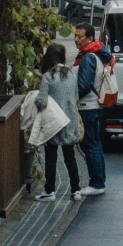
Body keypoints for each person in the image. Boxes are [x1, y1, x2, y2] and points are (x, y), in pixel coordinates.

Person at [34, 43, 83, 202]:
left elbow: (41, 101)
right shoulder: (72, 74)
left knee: (51, 157)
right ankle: (76, 190)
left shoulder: (48, 76)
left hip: (53, 122)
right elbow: (76, 98)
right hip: (70, 120)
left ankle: (50, 191)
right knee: (70, 156)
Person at [73, 23, 111, 197]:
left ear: (90, 39)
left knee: (90, 145)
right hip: (94, 105)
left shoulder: (88, 57)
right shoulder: (96, 54)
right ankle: (99, 181)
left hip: (87, 106)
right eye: (75, 36)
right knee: (95, 143)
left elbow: (84, 85)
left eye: (80, 37)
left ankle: (96, 183)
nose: (76, 39)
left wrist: (70, 97)